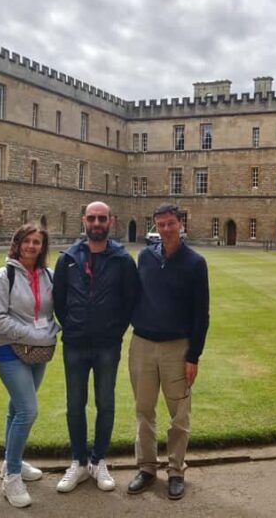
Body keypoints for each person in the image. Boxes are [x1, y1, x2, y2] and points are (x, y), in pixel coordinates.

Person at [53, 201, 139, 494]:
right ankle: (78, 461)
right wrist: (74, 326)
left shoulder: (123, 260)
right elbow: (59, 301)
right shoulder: (68, 258)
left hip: (107, 345)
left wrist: (114, 330)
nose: (97, 222)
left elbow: (130, 302)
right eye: (92, 218)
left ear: (111, 222)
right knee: (75, 405)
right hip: (75, 344)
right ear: (84, 221)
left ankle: (98, 459)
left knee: (106, 403)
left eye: (102, 218)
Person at [128, 203, 210, 501]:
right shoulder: (145, 258)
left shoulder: (195, 262)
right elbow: (134, 296)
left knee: (179, 414)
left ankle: (176, 470)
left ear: (181, 224)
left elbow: (202, 314)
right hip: (142, 344)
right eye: (160, 224)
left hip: (178, 347)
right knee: (143, 410)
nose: (165, 229)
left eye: (170, 224)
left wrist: (194, 355)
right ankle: (147, 468)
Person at [0, 223, 58, 508]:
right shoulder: (4, 275)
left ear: (42, 247)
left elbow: (57, 310)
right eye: (27, 241)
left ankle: (9, 462)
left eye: (37, 242)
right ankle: (12, 478)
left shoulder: (48, 275)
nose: (31, 246)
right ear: (17, 244)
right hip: (9, 350)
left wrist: (53, 330)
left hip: (39, 352)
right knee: (28, 410)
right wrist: (35, 334)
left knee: (15, 409)